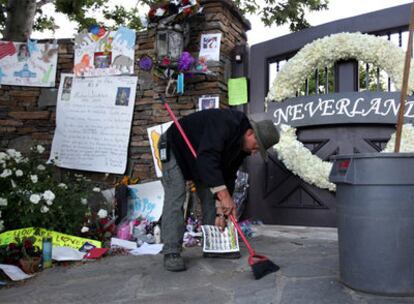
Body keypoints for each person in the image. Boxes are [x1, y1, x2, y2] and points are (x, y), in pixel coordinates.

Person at [158, 108, 280, 272]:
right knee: (177, 194)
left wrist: (222, 211)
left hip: (199, 157)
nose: (254, 152)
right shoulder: (226, 123)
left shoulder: (242, 148)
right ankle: (171, 251)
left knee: (211, 196)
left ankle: (213, 246)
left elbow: (227, 177)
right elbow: (207, 158)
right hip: (175, 146)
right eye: (257, 147)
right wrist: (224, 196)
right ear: (250, 133)